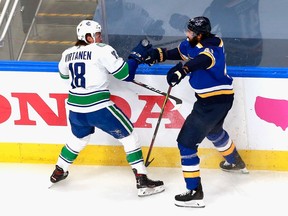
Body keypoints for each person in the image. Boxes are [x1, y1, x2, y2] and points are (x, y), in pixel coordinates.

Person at [49, 19, 165, 197]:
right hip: (98, 107)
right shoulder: (101, 49)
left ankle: (59, 171)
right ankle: (142, 180)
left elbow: (64, 76)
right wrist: (135, 57)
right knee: (129, 136)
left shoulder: (67, 53)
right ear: (88, 37)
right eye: (97, 34)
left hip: (76, 109)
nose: (100, 37)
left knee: (78, 139)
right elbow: (125, 74)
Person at [144, 16, 248, 207]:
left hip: (211, 103)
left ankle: (194, 191)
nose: (186, 33)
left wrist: (182, 70)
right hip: (221, 99)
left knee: (186, 143)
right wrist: (158, 54)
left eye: (190, 31)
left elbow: (200, 60)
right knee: (215, 131)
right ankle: (235, 162)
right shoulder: (193, 42)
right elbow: (181, 51)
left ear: (199, 35)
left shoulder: (213, 47)